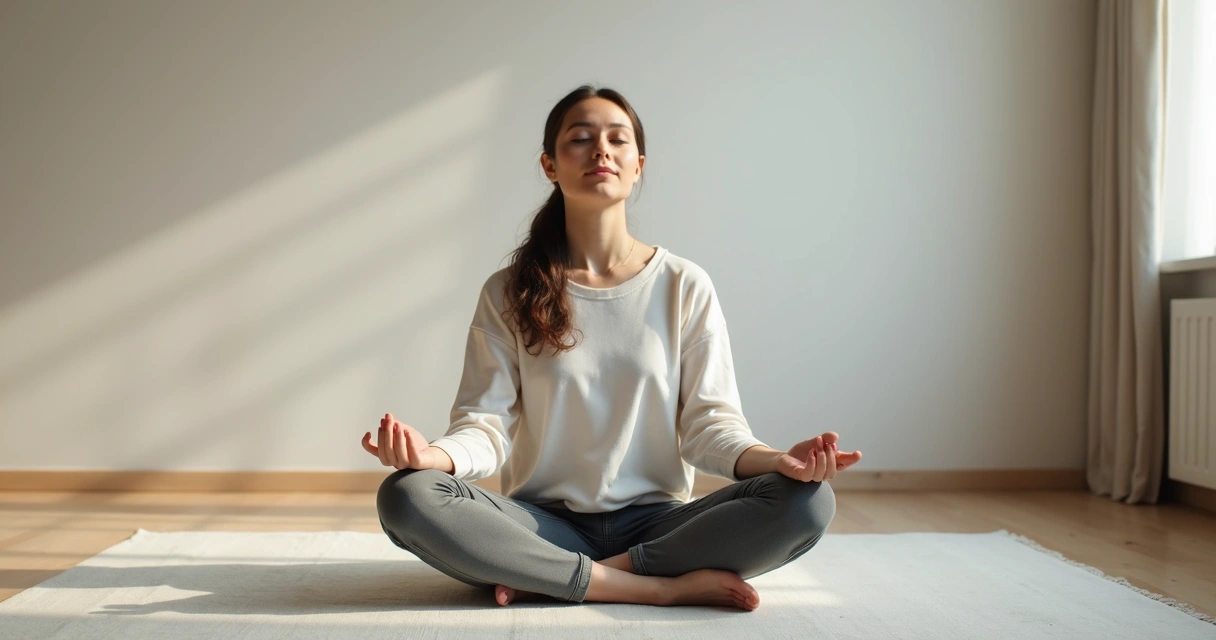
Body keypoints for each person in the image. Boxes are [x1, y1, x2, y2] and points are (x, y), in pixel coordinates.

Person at [362, 85, 862, 611]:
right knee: (408, 494)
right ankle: (657, 588)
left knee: (807, 502)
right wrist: (430, 457)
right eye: (580, 138)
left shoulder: (683, 284)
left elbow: (710, 427)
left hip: (661, 527)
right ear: (550, 165)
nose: (601, 150)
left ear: (637, 164)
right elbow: (483, 426)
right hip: (541, 525)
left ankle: (562, 578)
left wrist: (777, 460)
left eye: (617, 139)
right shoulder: (507, 291)